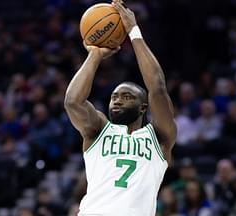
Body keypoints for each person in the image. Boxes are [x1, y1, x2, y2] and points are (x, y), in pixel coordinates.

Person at [64, 1, 177, 215]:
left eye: (127, 97)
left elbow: (158, 88)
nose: (117, 100)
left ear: (144, 107)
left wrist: (134, 32)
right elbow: (72, 102)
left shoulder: (159, 138)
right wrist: (95, 54)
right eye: (114, 96)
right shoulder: (98, 131)